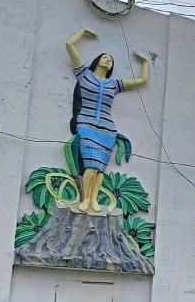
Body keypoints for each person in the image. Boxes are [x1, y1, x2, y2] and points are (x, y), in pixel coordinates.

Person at [64, 28, 150, 214]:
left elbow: (143, 80)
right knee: (90, 164)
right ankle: (85, 199)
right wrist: (82, 33)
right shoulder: (84, 75)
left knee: (100, 168)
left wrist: (145, 62)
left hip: (107, 129)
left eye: (111, 60)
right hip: (86, 125)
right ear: (98, 61)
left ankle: (94, 199)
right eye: (105, 57)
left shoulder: (114, 84)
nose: (108, 60)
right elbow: (69, 45)